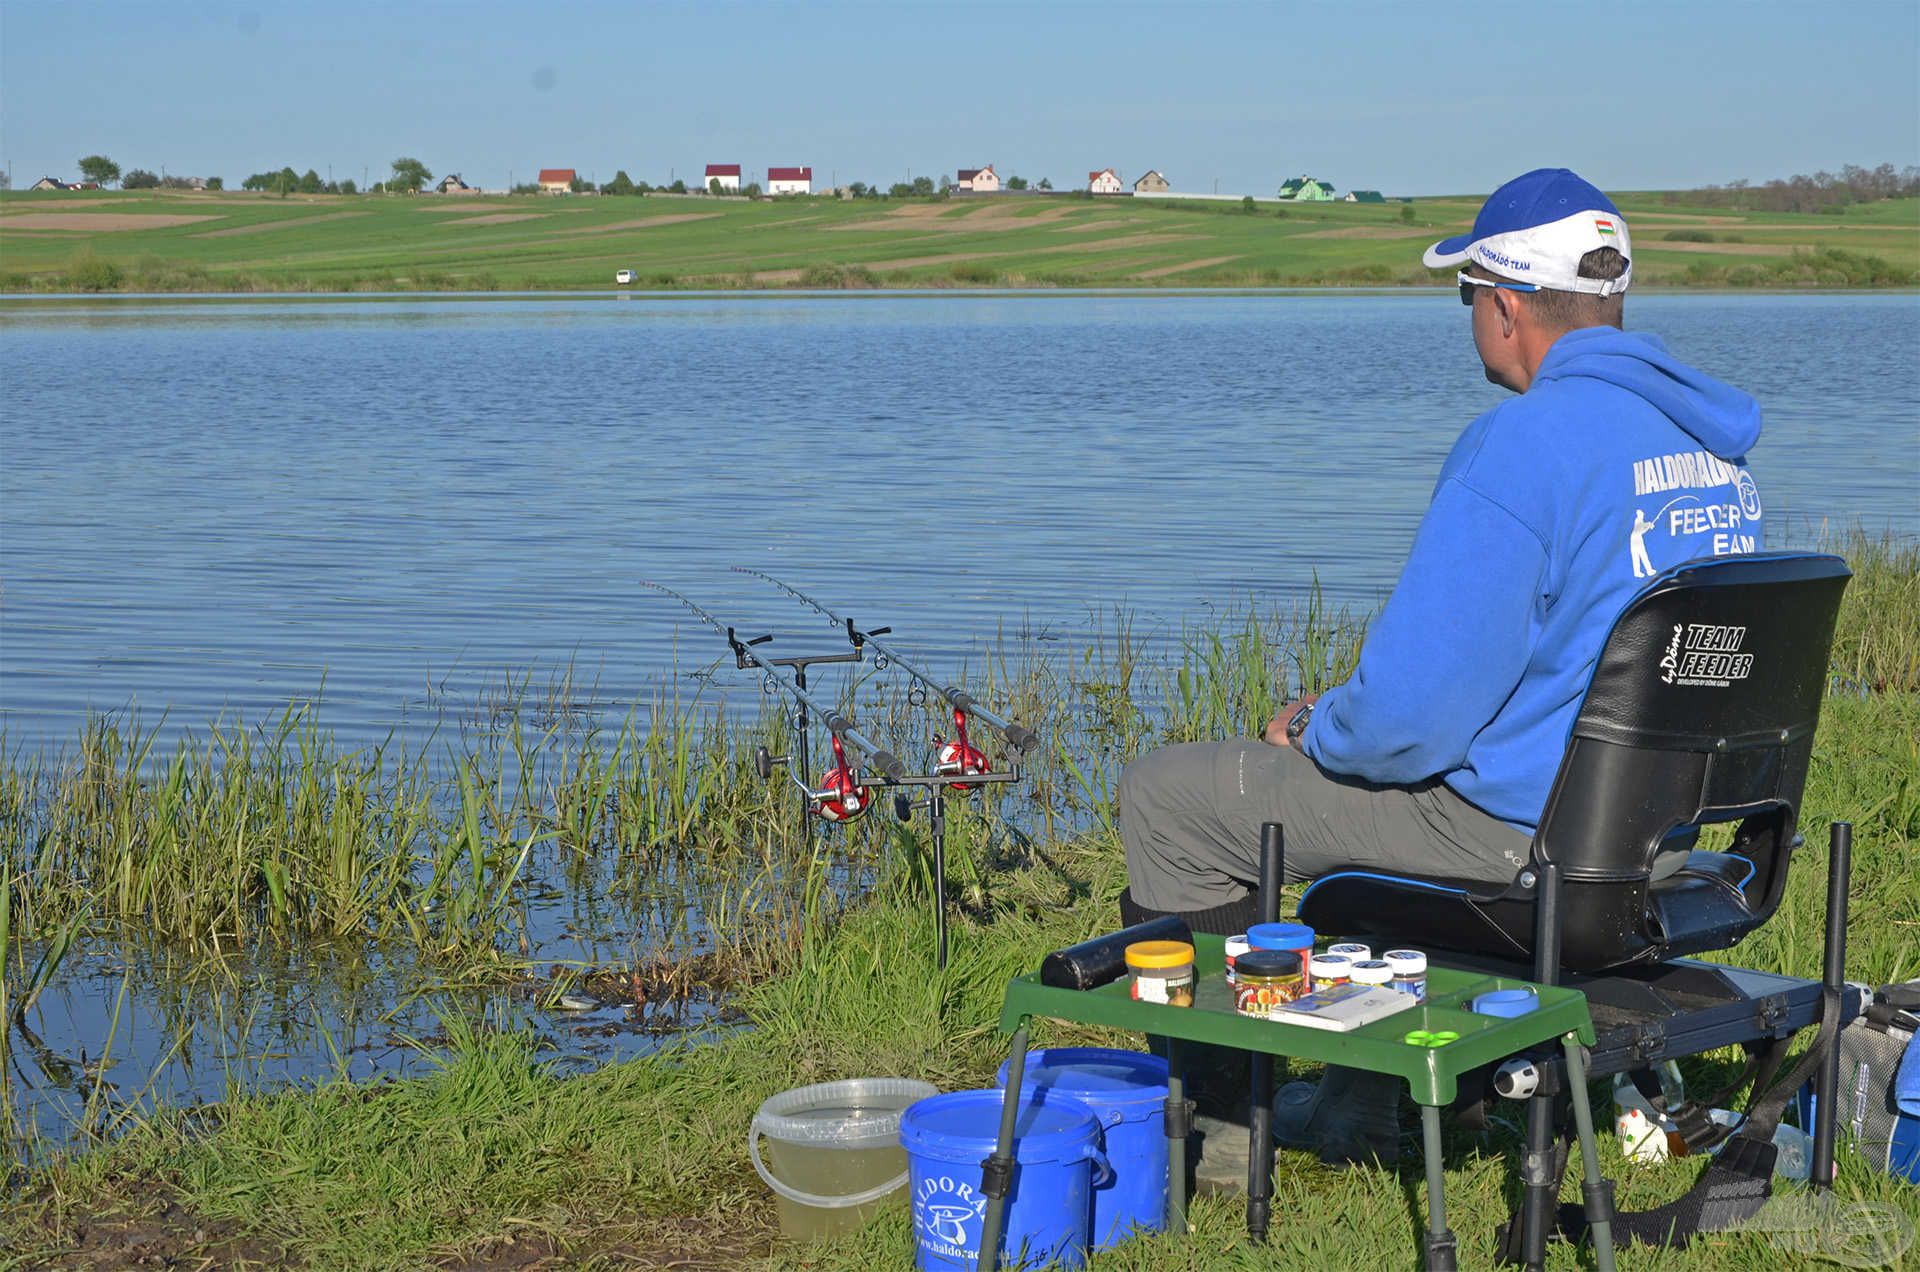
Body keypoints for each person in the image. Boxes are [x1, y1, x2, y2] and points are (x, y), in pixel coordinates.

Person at [1117, 168, 1767, 1164]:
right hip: (1665, 843)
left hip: (1525, 847)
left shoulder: (1521, 447)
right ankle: (1365, 1098)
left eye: (1468, 297)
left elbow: (1406, 724)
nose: (1472, 318)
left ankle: (1217, 1133)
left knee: (1169, 798)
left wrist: (1320, 724)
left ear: (1504, 307)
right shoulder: (1715, 455)